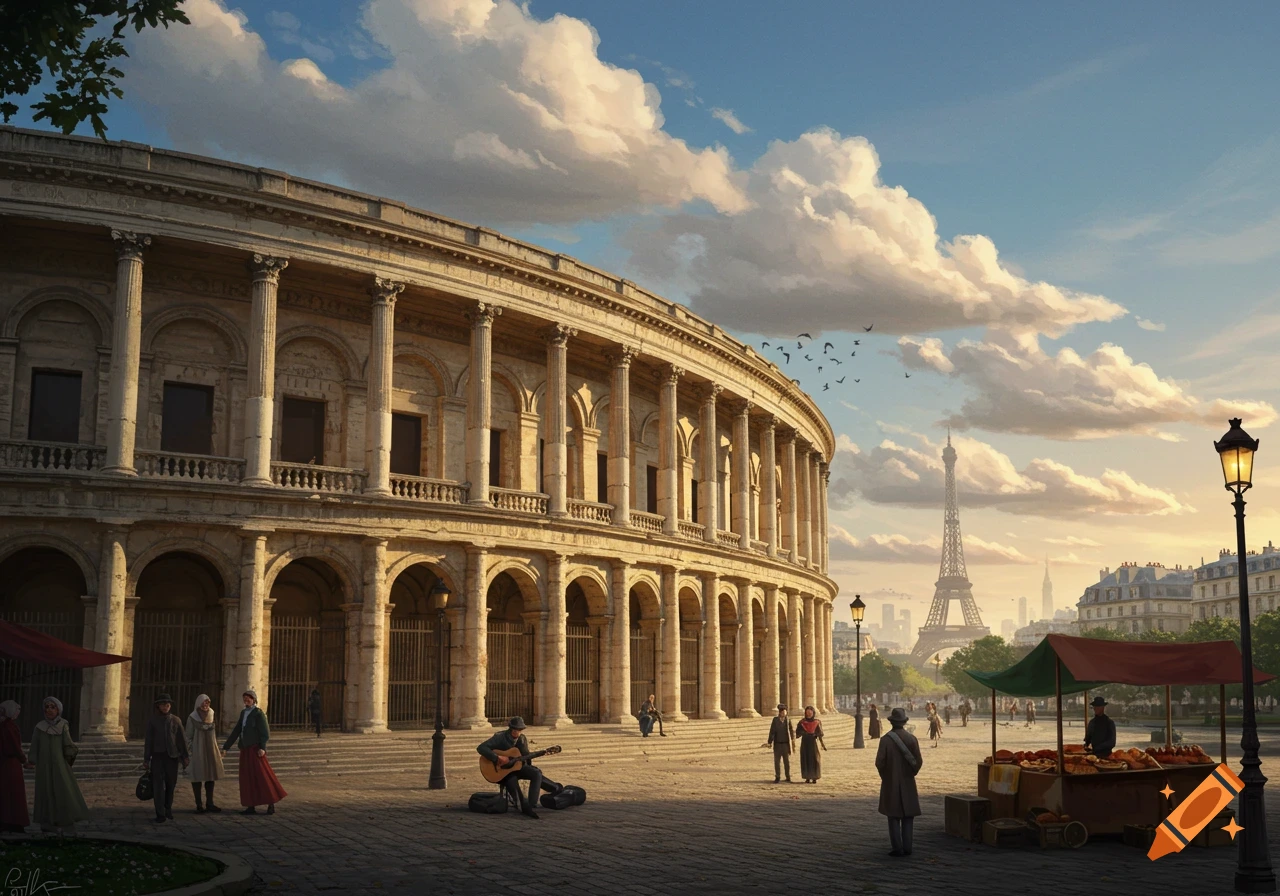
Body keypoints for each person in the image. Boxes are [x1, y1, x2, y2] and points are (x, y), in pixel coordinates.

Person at [477, 717, 561, 819]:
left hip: (516, 767)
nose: (517, 732)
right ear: (510, 728)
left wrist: (532, 760)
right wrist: (497, 757)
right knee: (512, 779)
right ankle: (522, 804)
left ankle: (532, 805)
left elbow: (525, 756)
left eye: (520, 730)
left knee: (536, 772)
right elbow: (481, 748)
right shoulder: (500, 737)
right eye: (515, 729)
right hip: (501, 772)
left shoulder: (522, 739)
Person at [28, 697, 89, 834]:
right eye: (47, 707)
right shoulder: (39, 727)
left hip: (60, 764)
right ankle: (47, 822)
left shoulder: (63, 725)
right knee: (45, 791)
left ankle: (65, 821)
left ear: (58, 710)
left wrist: (70, 756)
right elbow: (35, 745)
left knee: (63, 790)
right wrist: (32, 760)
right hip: (44, 765)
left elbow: (67, 743)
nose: (49, 710)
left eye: (52, 707)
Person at [221, 689, 287, 815]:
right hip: (245, 749)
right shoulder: (243, 713)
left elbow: (264, 732)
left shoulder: (258, 713)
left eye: (249, 698)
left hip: (255, 750)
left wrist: (262, 747)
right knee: (247, 778)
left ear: (254, 700)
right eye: (245, 699)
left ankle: (271, 802)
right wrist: (226, 747)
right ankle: (250, 805)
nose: (246, 701)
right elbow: (237, 730)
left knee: (262, 776)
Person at [875, 707, 922, 858]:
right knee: (908, 816)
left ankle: (897, 848)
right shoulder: (912, 739)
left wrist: (886, 776)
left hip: (891, 782)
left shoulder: (885, 740)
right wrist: (910, 774)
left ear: (891, 722)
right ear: (904, 722)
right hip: (908, 781)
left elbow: (879, 762)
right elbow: (918, 761)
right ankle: (908, 847)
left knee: (893, 816)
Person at [143, 693, 190, 822]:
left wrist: (185, 756)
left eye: (168, 705)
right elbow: (149, 741)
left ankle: (168, 808)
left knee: (171, 784)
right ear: (158, 706)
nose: (166, 707)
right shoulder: (152, 721)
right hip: (157, 756)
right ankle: (160, 813)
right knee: (158, 785)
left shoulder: (175, 720)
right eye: (163, 705)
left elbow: (181, 740)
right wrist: (146, 759)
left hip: (172, 756)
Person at [185, 694, 224, 813]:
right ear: (199, 703)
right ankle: (199, 804)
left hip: (210, 748)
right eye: (203, 702)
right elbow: (188, 735)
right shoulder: (193, 717)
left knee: (210, 775)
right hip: (198, 749)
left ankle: (210, 803)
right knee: (197, 775)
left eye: (207, 702)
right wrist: (190, 749)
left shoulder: (211, 713)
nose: (205, 705)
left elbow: (214, 732)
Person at [0, 701, 31, 832]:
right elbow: (15, 747)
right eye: (17, 710)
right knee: (14, 793)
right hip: (11, 764)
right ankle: (14, 822)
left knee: (5, 793)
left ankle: (5, 821)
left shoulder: (3, 725)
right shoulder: (10, 726)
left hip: (3, 762)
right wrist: (24, 760)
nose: (18, 713)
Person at [764, 704, 795, 783]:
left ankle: (788, 776)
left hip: (785, 744)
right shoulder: (775, 720)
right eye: (782, 712)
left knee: (786, 761)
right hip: (777, 744)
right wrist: (770, 741)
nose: (784, 713)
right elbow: (772, 731)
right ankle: (777, 776)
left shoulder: (788, 720)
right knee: (777, 761)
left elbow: (791, 730)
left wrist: (793, 740)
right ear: (780, 713)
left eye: (785, 712)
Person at [795, 706, 826, 783]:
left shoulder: (817, 722)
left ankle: (814, 777)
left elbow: (820, 734)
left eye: (810, 713)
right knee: (806, 759)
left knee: (814, 759)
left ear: (813, 713)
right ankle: (807, 777)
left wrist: (822, 744)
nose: (809, 714)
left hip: (813, 743)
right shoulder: (802, 722)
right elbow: (798, 732)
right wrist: (803, 733)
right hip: (805, 743)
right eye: (807, 713)